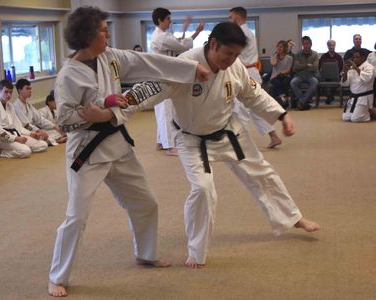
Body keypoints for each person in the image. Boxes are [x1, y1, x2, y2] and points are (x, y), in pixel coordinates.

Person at [123, 22, 320, 269]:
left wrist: (282, 116)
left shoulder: (235, 66)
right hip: (192, 138)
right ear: (213, 44)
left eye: (237, 55)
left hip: (228, 131)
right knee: (203, 189)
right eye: (228, 53)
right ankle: (196, 250)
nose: (232, 60)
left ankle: (294, 217)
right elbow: (151, 88)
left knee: (261, 173)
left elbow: (254, 94)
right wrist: (121, 103)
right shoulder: (184, 64)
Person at [47, 6, 210, 297]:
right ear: (85, 35)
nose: (107, 32)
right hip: (87, 152)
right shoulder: (68, 75)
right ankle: (57, 277)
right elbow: (64, 120)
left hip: (118, 146)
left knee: (145, 202)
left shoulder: (110, 57)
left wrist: (189, 68)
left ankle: (146, 253)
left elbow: (145, 61)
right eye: (101, 29)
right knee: (77, 216)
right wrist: (91, 116)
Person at [151, 7, 205, 155]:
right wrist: (196, 32)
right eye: (168, 19)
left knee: (162, 111)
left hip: (164, 76)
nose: (169, 21)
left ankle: (161, 141)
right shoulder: (161, 37)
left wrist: (185, 30)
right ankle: (170, 146)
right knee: (166, 111)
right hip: (164, 77)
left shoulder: (162, 36)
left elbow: (178, 44)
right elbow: (183, 45)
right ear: (160, 20)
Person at [228, 6, 282, 149]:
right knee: (255, 109)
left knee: (241, 109)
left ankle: (241, 143)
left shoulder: (242, 33)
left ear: (238, 17)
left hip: (246, 74)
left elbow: (232, 51)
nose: (229, 20)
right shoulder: (246, 32)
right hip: (249, 72)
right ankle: (274, 136)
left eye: (230, 17)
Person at [0, 79, 48, 158]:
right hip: (1, 139)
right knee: (25, 151)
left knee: (43, 145)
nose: (9, 95)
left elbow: (18, 126)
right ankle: (0, 152)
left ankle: (21, 147)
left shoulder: (10, 106)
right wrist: (16, 138)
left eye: (10, 92)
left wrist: (31, 134)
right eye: (6, 92)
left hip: (14, 134)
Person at [13, 79, 63, 145]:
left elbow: (40, 119)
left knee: (55, 132)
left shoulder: (28, 105)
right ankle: (53, 141)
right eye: (27, 89)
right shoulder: (16, 106)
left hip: (34, 130)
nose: (30, 91)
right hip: (25, 132)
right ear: (19, 90)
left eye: (30, 88)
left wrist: (54, 126)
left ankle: (52, 140)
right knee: (42, 142)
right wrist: (38, 131)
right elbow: (26, 125)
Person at [341, 49, 374, 122]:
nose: (354, 59)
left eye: (357, 57)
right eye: (354, 57)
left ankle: (369, 113)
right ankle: (364, 111)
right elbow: (345, 83)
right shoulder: (351, 68)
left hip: (364, 97)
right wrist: (345, 72)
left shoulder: (369, 67)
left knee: (355, 119)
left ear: (363, 57)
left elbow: (367, 79)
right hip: (353, 98)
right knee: (345, 118)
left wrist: (356, 68)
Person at [290, 36, 319, 110]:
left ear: (311, 44)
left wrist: (301, 66)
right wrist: (307, 65)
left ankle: (301, 102)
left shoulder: (315, 54)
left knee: (315, 82)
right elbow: (296, 67)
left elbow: (314, 67)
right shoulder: (298, 54)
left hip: (311, 75)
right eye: (304, 44)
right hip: (300, 75)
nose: (306, 45)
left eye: (307, 43)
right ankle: (304, 101)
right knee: (293, 83)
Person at [269, 40, 293, 109]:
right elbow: (273, 63)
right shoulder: (273, 56)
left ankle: (282, 99)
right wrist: (276, 55)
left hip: (285, 75)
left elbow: (288, 70)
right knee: (276, 82)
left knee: (285, 82)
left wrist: (281, 73)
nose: (279, 48)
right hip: (275, 77)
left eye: (281, 47)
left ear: (285, 48)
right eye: (278, 47)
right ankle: (284, 99)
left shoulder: (289, 58)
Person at [318, 39, 344, 104]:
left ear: (335, 46)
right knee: (320, 80)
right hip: (325, 76)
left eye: (332, 45)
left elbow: (341, 68)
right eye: (330, 45)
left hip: (336, 76)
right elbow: (320, 67)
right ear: (327, 46)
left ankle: (330, 96)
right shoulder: (324, 56)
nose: (331, 47)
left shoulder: (338, 57)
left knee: (337, 79)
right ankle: (329, 96)